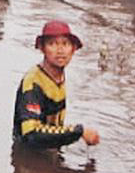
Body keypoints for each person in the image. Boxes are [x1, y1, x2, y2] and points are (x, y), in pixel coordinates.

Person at [13, 20, 99, 149]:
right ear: (42, 48)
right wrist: (77, 132)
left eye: (65, 44)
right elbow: (31, 134)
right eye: (52, 44)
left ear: (73, 49)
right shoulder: (33, 83)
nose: (60, 50)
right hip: (29, 155)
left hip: (50, 149)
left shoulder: (59, 76)